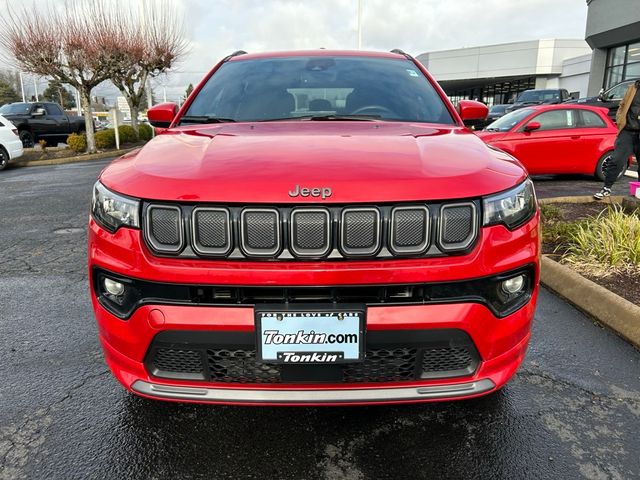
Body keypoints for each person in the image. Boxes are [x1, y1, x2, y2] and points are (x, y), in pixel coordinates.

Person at [593, 79, 640, 200]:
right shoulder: (633, 88)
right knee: (616, 160)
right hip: (628, 131)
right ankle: (606, 188)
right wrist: (620, 120)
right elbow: (623, 105)